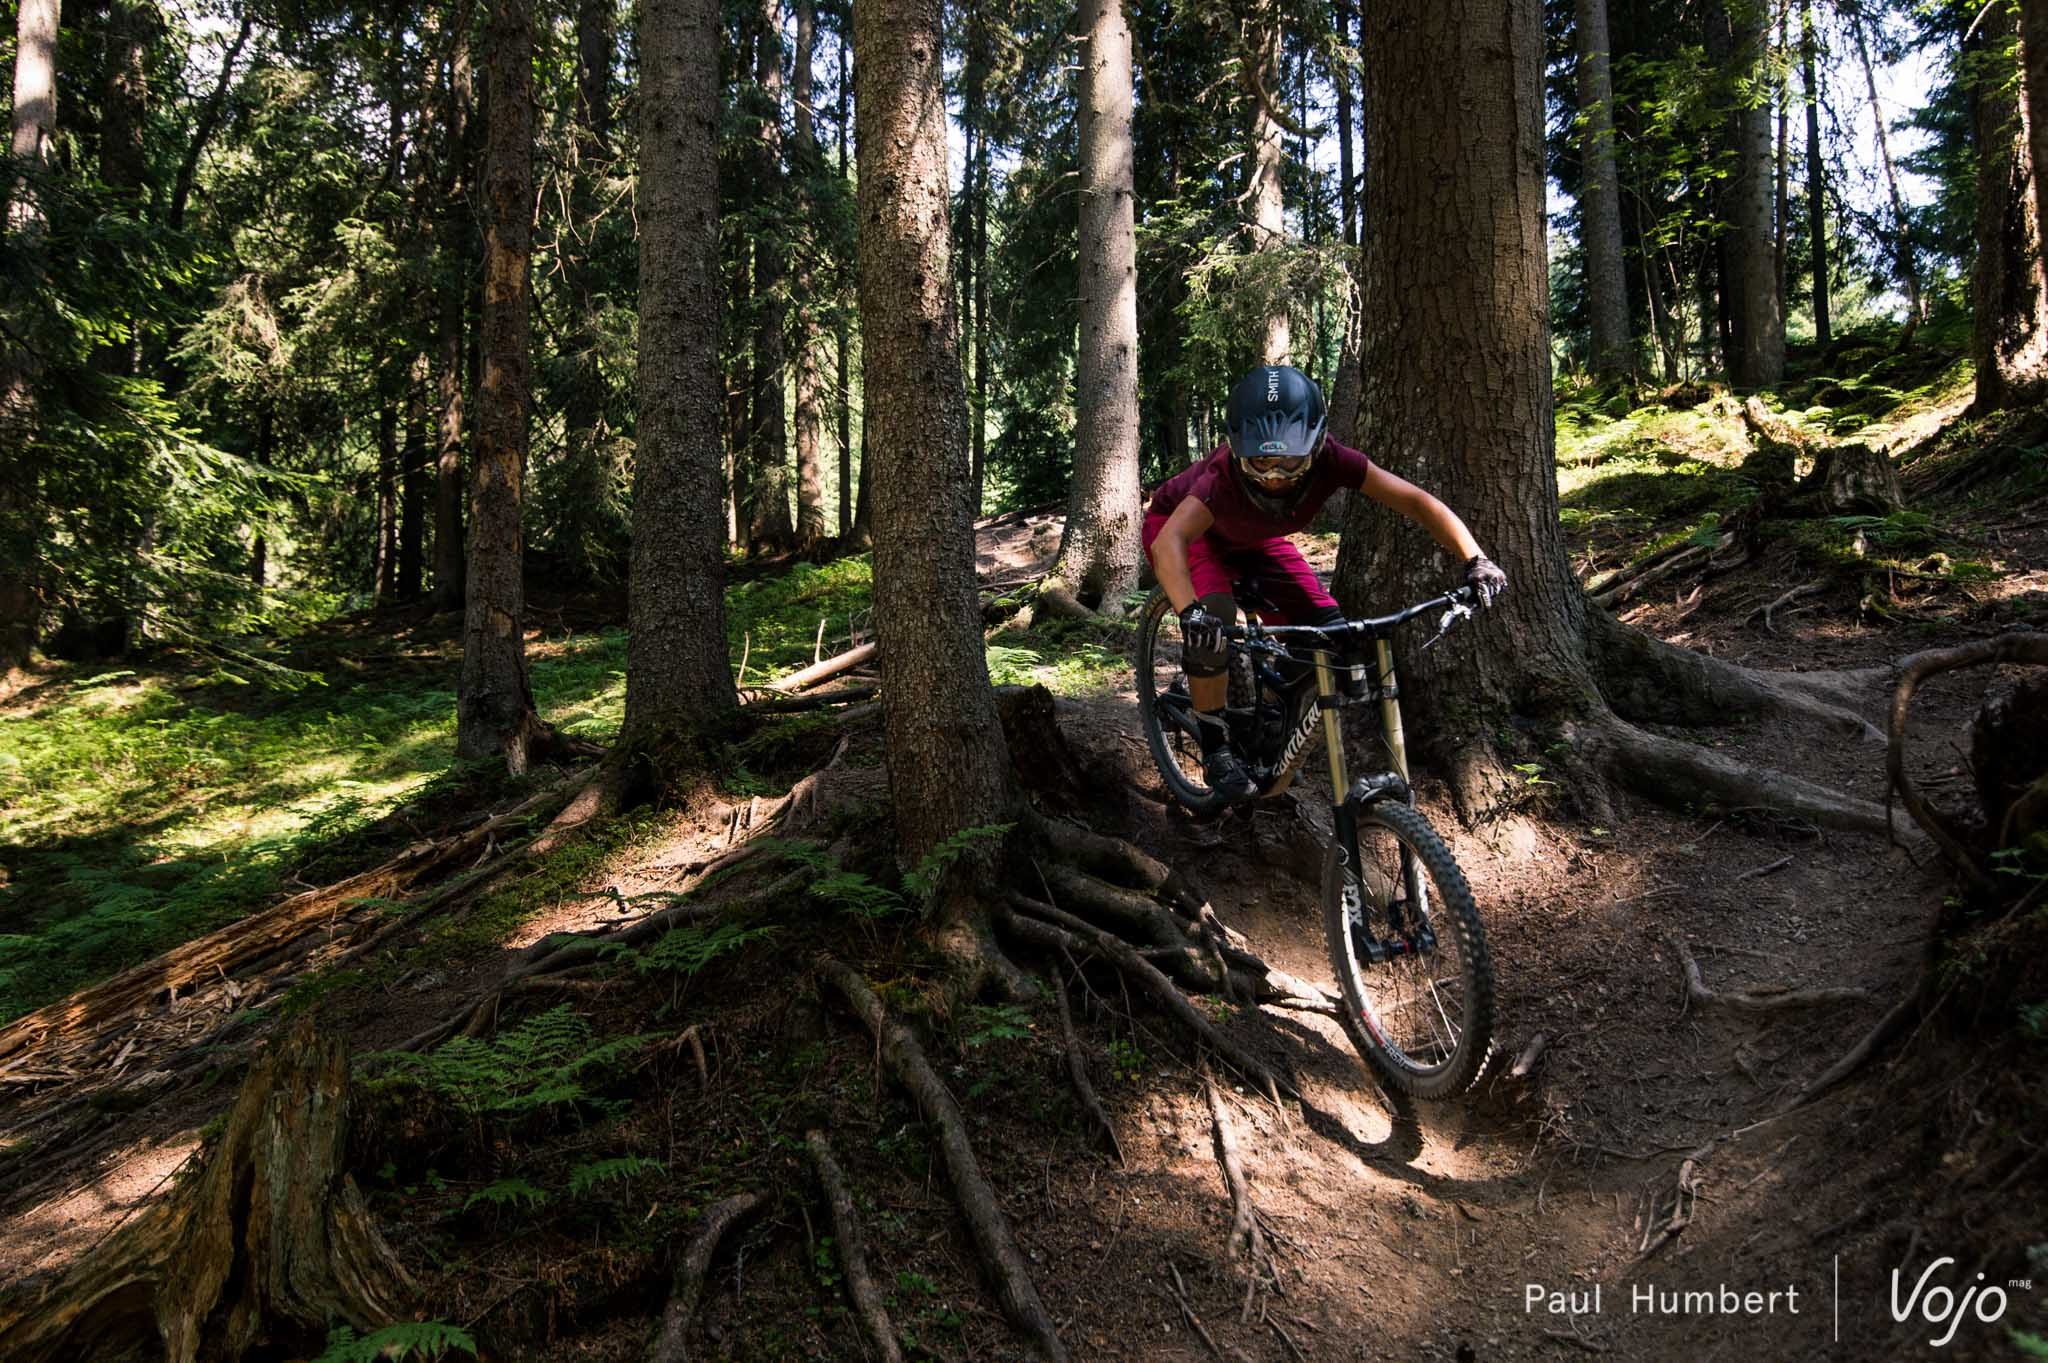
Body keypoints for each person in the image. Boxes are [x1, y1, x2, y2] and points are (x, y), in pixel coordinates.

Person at [1143, 364, 1507, 800]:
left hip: (1254, 540)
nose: (1274, 476)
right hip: (1184, 535)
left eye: (1289, 462)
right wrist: (1191, 612)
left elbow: (1415, 501)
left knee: (1329, 632)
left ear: (1315, 446)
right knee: (1213, 622)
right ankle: (1217, 746)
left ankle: (1268, 710)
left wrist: (1476, 558)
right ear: (1239, 451)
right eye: (1262, 462)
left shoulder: (1334, 460)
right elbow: (1170, 542)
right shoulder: (1221, 478)